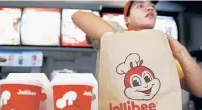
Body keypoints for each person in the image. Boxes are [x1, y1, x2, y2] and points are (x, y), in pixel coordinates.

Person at [72, 0, 202, 98]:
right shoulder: (116, 31)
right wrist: (131, 44)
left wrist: (180, 51)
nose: (150, 7)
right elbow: (79, 16)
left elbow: (199, 90)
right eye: (140, 5)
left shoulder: (164, 53)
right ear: (127, 19)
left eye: (152, 6)